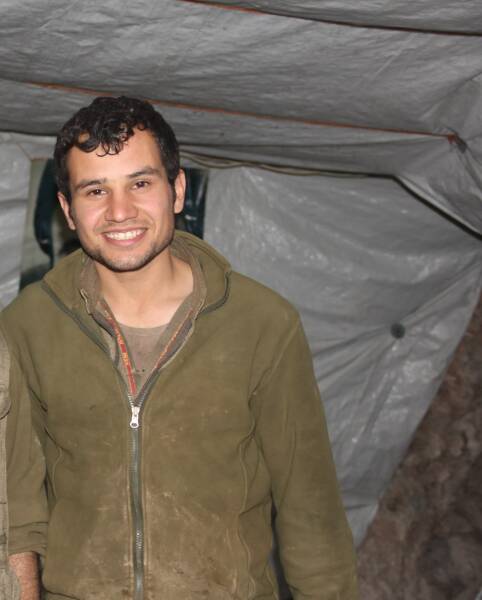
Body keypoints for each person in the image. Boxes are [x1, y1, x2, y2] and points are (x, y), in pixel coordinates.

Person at [2, 96, 357, 599]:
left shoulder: (262, 323)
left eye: (140, 183)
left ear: (177, 191)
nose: (119, 211)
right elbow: (13, 510)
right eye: (96, 190)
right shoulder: (27, 326)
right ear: (68, 210)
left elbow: (311, 512)